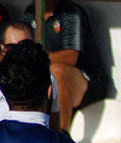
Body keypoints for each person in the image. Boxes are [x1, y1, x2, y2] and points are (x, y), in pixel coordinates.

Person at [23, 0, 108, 132]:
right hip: (45, 79)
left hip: (88, 80)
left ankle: (61, 137)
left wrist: (32, 57)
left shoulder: (69, 12)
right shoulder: (30, 14)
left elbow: (70, 57)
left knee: (57, 72)